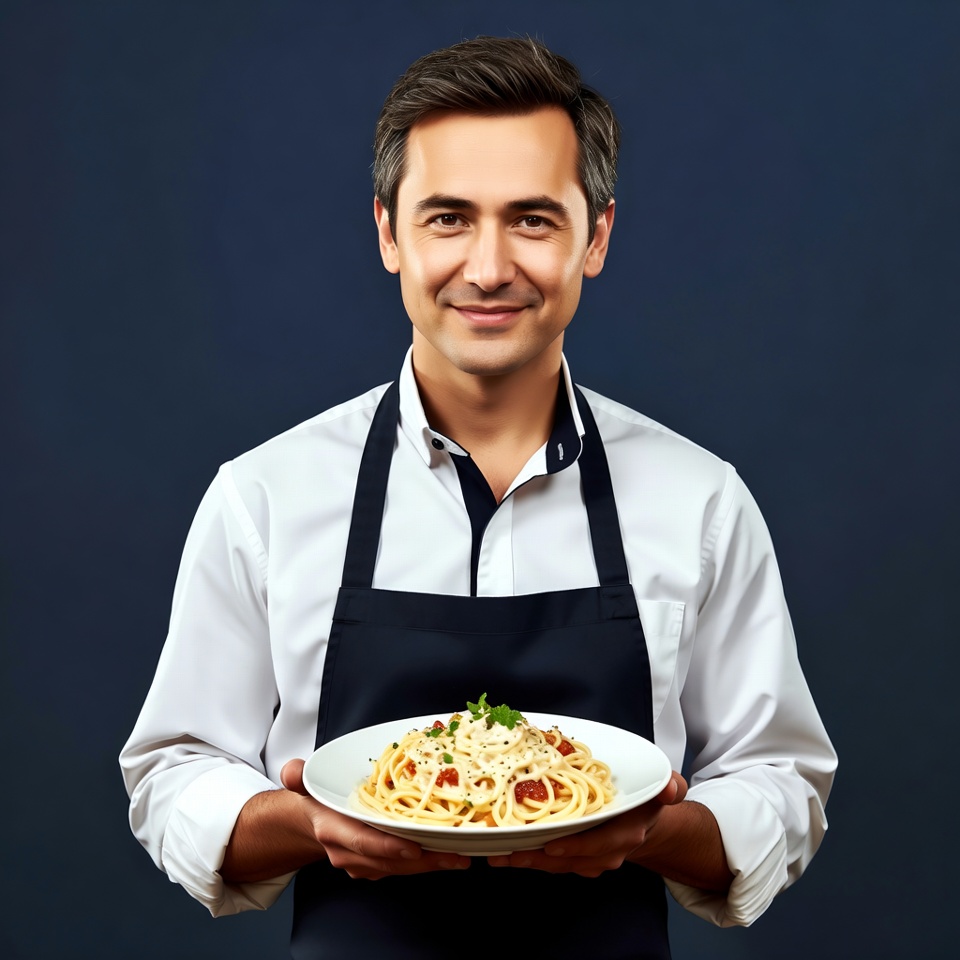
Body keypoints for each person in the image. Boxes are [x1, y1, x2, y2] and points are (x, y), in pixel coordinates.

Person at [121, 36, 836, 959]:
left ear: (598, 237)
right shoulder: (264, 495)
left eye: (533, 220)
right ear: (389, 234)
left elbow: (780, 779)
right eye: (448, 218)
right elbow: (174, 771)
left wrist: (651, 833)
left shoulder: (700, 500)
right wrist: (310, 826)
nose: (489, 267)